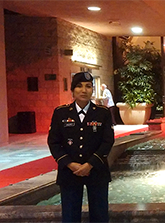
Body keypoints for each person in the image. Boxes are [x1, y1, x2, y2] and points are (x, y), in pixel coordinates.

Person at [47, 71, 115, 223]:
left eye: (88, 86)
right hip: (69, 172)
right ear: (72, 90)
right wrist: (70, 164)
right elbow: (54, 142)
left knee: (100, 216)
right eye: (79, 86)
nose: (84, 90)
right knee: (70, 216)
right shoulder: (61, 113)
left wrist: (90, 164)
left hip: (97, 170)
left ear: (92, 90)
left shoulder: (102, 113)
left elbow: (107, 141)